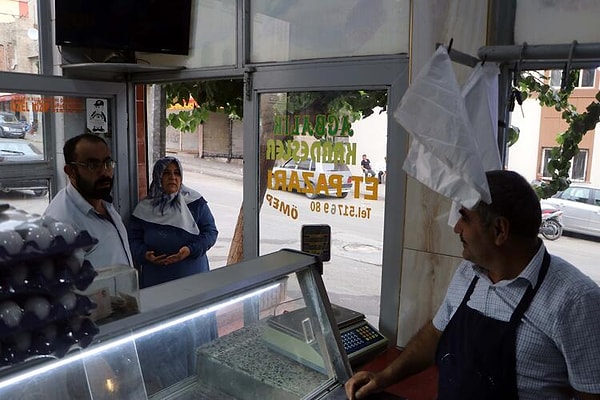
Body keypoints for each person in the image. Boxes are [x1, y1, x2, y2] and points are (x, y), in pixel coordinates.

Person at [345, 170, 600, 400]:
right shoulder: (469, 271)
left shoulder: (577, 301)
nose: (456, 228)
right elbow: (436, 334)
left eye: (465, 218)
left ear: (499, 230)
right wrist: (384, 377)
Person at [44, 133, 133, 270]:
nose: (104, 172)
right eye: (93, 165)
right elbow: (64, 288)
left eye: (107, 163)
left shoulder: (101, 201)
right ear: (70, 171)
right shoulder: (62, 224)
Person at [127, 156, 218, 289]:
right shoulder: (144, 209)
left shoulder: (195, 202)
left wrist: (190, 250)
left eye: (177, 173)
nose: (172, 177)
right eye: (166, 173)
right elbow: (132, 240)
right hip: (157, 280)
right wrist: (145, 254)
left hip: (193, 277)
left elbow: (210, 233)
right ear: (158, 177)